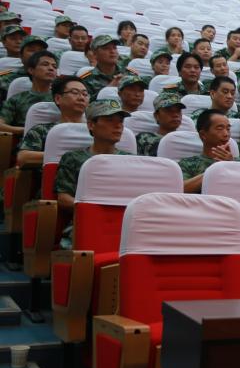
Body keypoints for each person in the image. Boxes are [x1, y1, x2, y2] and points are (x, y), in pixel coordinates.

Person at [54, 100, 132, 243]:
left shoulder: (131, 161)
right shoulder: (73, 158)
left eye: (121, 121)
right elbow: (63, 198)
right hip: (89, 221)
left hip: (126, 223)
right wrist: (96, 209)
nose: (118, 125)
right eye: (110, 120)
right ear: (91, 125)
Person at [17, 76, 88, 166]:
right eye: (75, 92)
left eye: (85, 94)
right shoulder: (41, 130)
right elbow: (23, 157)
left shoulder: (94, 130)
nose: (81, 98)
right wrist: (66, 157)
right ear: (58, 99)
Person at [0, 49, 57, 134]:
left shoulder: (60, 98)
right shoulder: (17, 99)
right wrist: (27, 130)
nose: (51, 68)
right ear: (31, 70)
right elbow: (1, 125)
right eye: (45, 64)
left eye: (54, 66)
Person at [178, 110, 235, 192]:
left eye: (228, 129)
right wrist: (216, 169)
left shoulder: (238, 162)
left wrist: (232, 166)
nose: (226, 134)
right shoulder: (187, 164)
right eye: (220, 129)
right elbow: (180, 190)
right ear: (203, 135)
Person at [136, 92, 186, 157]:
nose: (175, 115)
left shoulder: (185, 140)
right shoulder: (144, 139)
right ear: (156, 116)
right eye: (169, 111)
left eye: (178, 111)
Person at [1, 34, 47, 102]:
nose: (37, 54)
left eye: (41, 51)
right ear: (21, 55)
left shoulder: (53, 79)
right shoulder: (5, 79)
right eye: (32, 50)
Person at [81, 35, 126, 99]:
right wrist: (108, 89)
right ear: (95, 54)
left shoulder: (128, 73)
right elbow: (86, 102)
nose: (112, 51)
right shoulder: (86, 80)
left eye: (114, 48)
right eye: (106, 48)